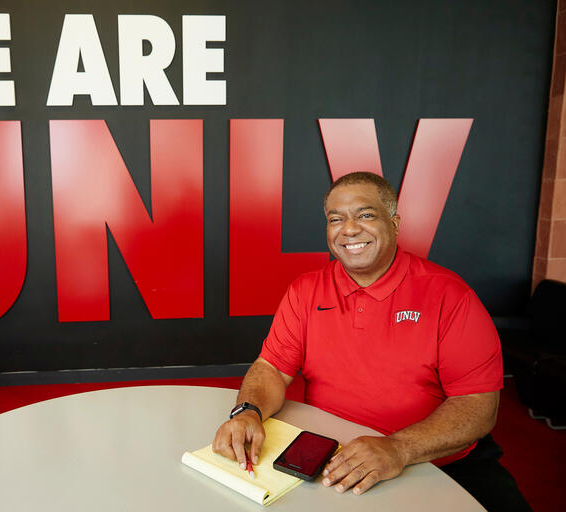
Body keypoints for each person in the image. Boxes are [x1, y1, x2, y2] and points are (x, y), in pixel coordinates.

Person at [212, 172, 530, 511]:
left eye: (365, 214)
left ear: (394, 224)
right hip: (331, 457)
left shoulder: (451, 296)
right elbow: (272, 368)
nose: (349, 229)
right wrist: (248, 411)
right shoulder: (305, 291)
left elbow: (478, 406)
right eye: (336, 219)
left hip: (439, 464)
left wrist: (399, 448)